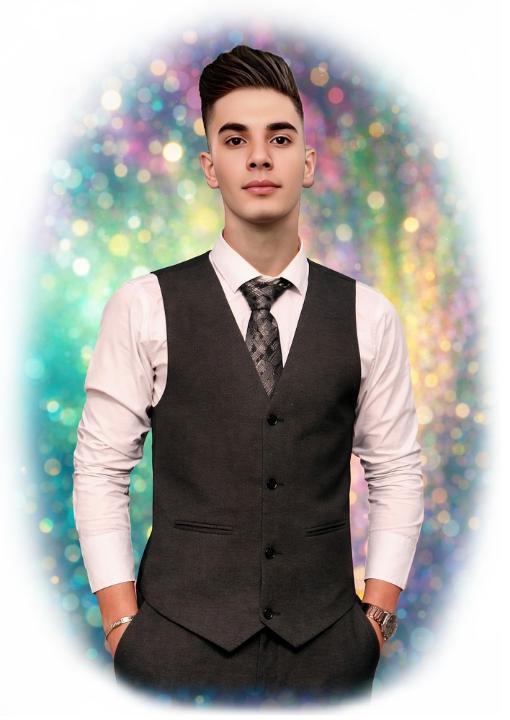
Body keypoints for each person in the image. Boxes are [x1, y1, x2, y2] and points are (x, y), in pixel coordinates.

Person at [73, 44, 424, 707]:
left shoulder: (369, 315)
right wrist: (122, 626)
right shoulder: (143, 306)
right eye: (235, 140)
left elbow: (397, 470)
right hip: (172, 654)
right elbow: (99, 469)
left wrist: (375, 623)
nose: (259, 157)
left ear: (308, 163)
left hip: (329, 658)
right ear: (210, 166)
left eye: (280, 138)